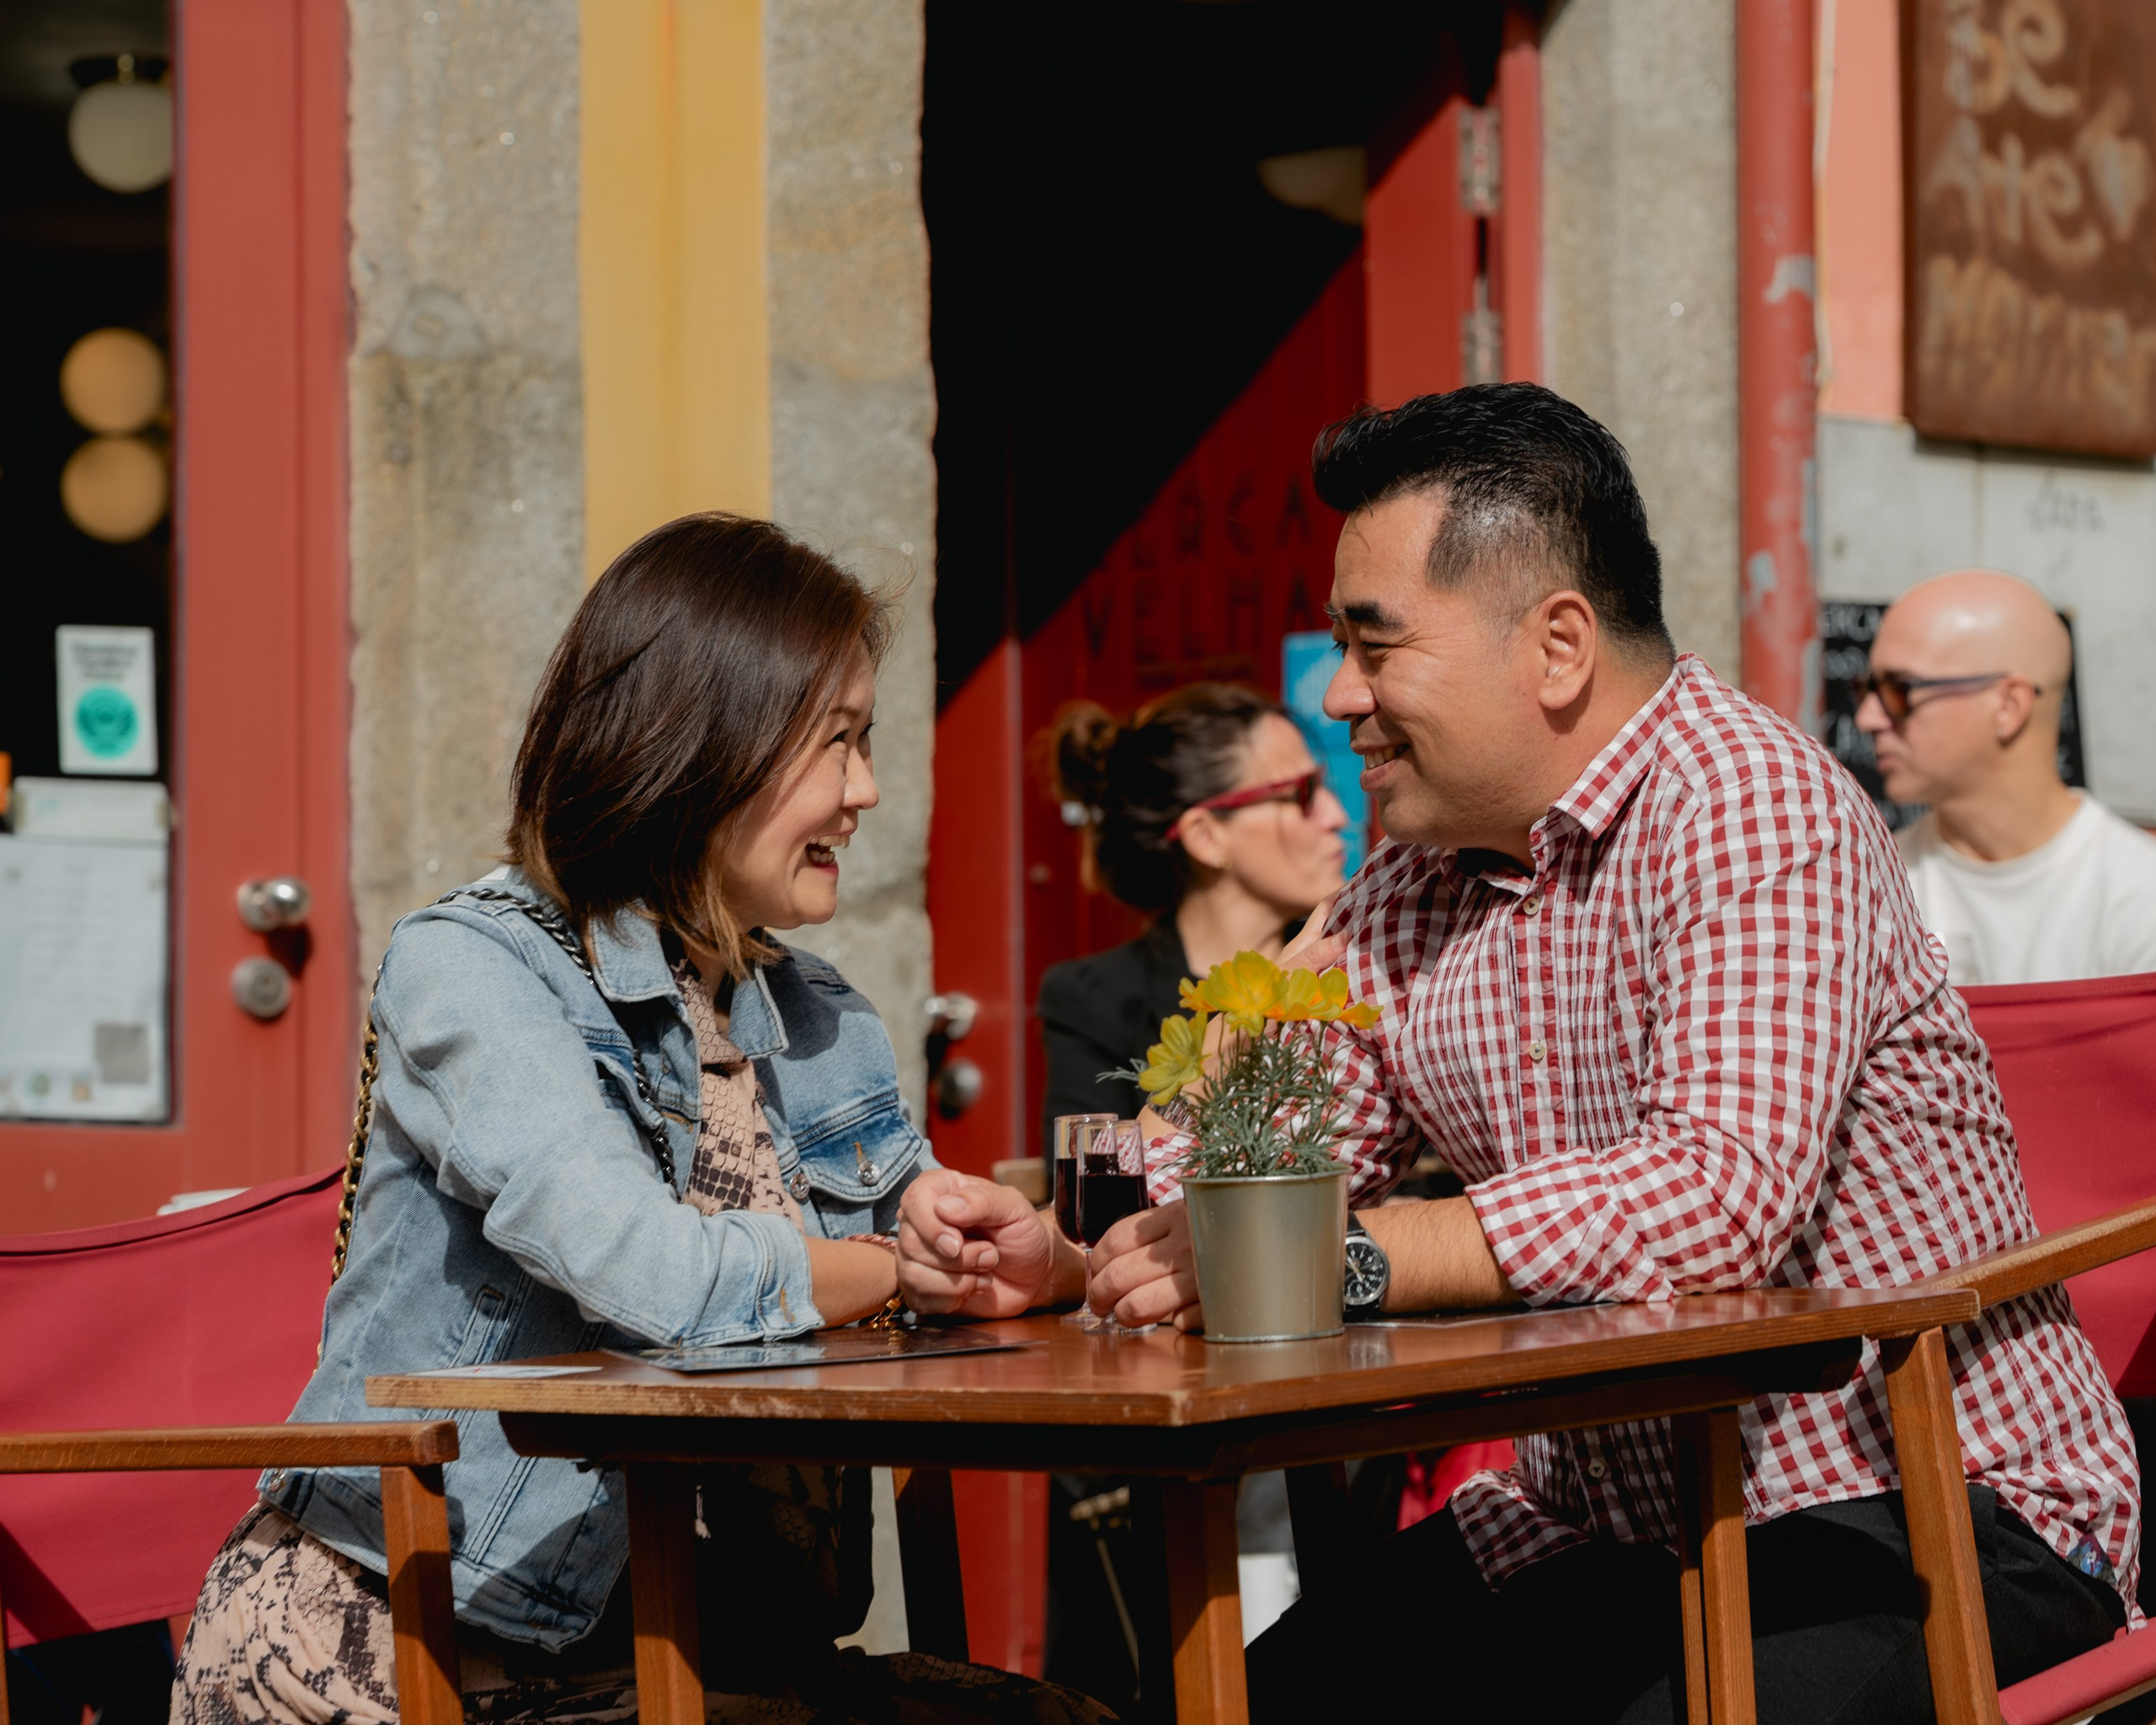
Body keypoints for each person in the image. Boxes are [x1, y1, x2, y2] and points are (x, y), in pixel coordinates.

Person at [894, 385, 2143, 1722]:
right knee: (1249, 1705)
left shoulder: (1753, 806)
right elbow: (1258, 1164)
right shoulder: (1411, 878)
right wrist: (1074, 1253)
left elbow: (1717, 1197)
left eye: (1375, 644)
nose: (1338, 693)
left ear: (1555, 647)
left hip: (1932, 1513)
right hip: (1604, 1532)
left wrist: (1346, 1253)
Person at [171, 514, 1107, 1725]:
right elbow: (643, 1272)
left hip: (711, 1649)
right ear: (705, 743)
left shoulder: (819, 1014)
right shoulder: (477, 968)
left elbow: (918, 1265)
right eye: (838, 742)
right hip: (410, 1648)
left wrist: (1023, 1261)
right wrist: (890, 1270)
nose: (866, 791)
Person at [1034, 684, 1350, 1151]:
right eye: (1301, 794)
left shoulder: (1355, 965)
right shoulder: (1096, 1001)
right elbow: (1089, 1202)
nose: (1337, 815)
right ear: (1206, 836)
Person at [1858, 568, 2156, 985]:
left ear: (2008, 706)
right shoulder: (1872, 893)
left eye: (1899, 689)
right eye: (1866, 691)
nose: (1867, 717)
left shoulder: (2140, 899)